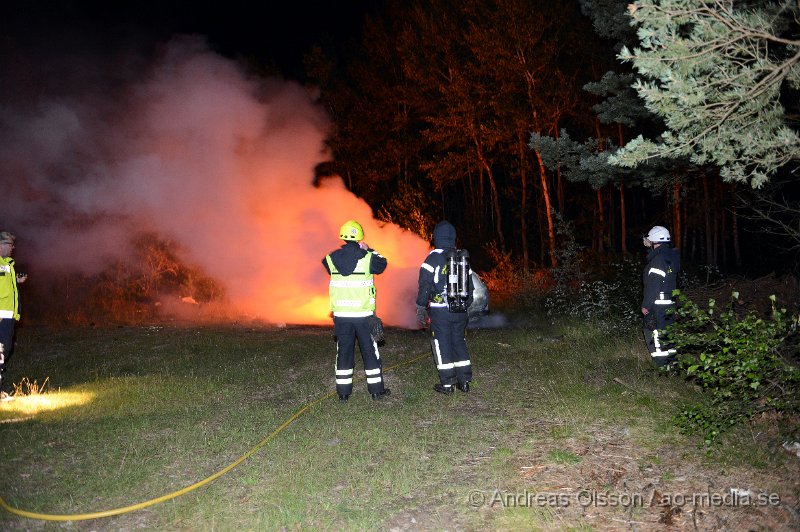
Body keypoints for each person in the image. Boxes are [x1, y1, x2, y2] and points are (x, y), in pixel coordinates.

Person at [322, 220, 391, 401]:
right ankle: (376, 391)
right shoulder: (368, 258)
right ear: (360, 238)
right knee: (370, 351)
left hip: (342, 317)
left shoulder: (330, 259)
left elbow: (326, 263)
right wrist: (369, 249)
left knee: (344, 352)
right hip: (364, 316)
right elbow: (383, 264)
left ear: (342, 237)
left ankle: (343, 394)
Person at [416, 221, 473, 395]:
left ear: (436, 237)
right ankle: (464, 382)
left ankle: (448, 384)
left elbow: (424, 285)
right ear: (454, 238)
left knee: (442, 344)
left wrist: (421, 305)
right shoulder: (461, 258)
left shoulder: (432, 258)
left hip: (440, 311)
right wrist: (463, 305)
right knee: (459, 342)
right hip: (460, 310)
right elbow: (470, 288)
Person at [641, 225, 681, 367]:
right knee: (667, 333)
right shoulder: (669, 257)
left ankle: (662, 366)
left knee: (653, 333)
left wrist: (646, 305)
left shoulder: (658, 260)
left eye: (650, 240)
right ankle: (672, 363)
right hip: (669, 304)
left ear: (654, 241)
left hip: (657, 305)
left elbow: (654, 285)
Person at [0, 231, 27, 400]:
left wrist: (16, 280)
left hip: (8, 318)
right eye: (10, 245)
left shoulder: (7, 264)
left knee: (5, 350)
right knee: (1, 351)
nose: (13, 248)